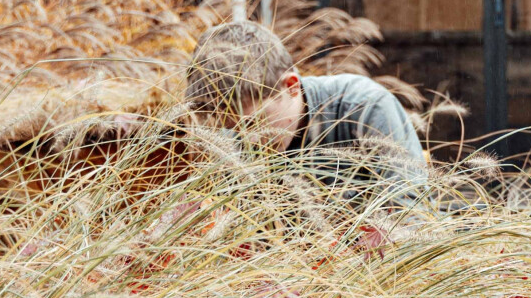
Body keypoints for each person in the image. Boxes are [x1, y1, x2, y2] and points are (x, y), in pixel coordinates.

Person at [183, 21, 428, 204]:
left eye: (252, 124)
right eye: (231, 127)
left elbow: (411, 211)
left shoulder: (363, 106)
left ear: (290, 86)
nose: (247, 142)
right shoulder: (224, 144)